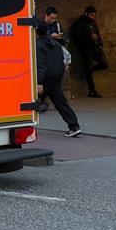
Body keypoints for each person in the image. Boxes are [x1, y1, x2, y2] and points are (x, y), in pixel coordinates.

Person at [36, 8, 81, 137]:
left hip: (46, 78)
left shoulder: (39, 45)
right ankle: (74, 125)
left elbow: (41, 65)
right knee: (59, 101)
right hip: (57, 75)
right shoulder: (55, 43)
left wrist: (39, 82)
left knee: (34, 102)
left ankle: (23, 126)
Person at [70, 6, 105, 98]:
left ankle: (86, 72)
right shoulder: (79, 24)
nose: (93, 17)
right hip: (86, 49)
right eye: (91, 15)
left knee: (104, 64)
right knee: (89, 68)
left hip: (95, 47)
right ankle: (92, 90)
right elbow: (77, 38)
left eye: (94, 15)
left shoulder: (93, 23)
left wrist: (99, 41)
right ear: (86, 13)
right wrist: (89, 38)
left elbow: (96, 33)